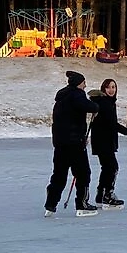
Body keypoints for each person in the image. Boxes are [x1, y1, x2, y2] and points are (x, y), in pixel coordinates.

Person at [44, 70, 100, 216]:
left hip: (60, 143)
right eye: (83, 83)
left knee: (59, 175)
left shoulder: (61, 97)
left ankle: (50, 205)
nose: (85, 85)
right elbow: (91, 107)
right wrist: (96, 106)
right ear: (78, 84)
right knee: (83, 174)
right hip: (75, 143)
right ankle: (82, 204)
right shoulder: (76, 95)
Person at [90, 78, 127, 207]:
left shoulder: (107, 102)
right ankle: (107, 195)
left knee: (107, 168)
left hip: (102, 140)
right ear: (103, 89)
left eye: (113, 87)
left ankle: (100, 195)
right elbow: (111, 124)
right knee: (112, 168)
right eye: (108, 87)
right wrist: (126, 131)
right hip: (104, 141)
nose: (111, 90)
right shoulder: (105, 103)